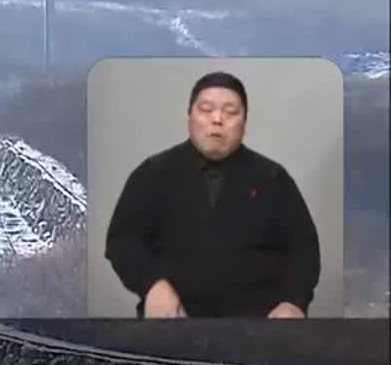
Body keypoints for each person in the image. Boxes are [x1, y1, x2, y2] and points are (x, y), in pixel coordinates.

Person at [103, 70, 321, 319]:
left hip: (258, 326)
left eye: (231, 112)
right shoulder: (154, 173)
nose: (217, 119)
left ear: (244, 123)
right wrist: (152, 285)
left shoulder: (272, 177)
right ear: (189, 117)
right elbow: (123, 241)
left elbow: (304, 249)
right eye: (206, 109)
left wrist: (293, 302)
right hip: (173, 321)